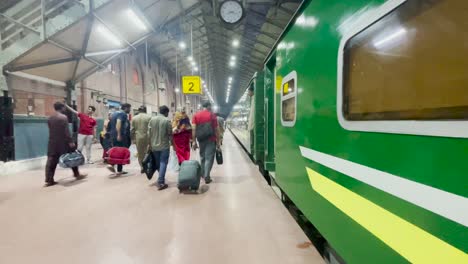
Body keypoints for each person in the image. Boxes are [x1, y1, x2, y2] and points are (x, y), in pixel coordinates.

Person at [45, 102, 86, 187]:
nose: (65, 109)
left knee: (51, 160)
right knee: (72, 156)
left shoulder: (50, 118)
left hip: (52, 142)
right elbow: (66, 131)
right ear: (61, 108)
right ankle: (76, 174)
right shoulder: (63, 118)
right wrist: (70, 141)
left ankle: (49, 179)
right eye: (64, 107)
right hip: (63, 142)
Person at [192, 101, 220, 184]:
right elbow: (216, 130)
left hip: (200, 139)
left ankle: (203, 174)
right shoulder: (212, 115)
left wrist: (194, 141)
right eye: (210, 106)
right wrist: (218, 142)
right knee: (209, 158)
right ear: (208, 106)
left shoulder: (196, 115)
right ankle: (207, 176)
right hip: (211, 139)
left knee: (202, 157)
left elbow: (193, 129)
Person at [148, 105, 172, 190]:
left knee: (159, 163)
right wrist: (173, 144)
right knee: (163, 162)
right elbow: (170, 134)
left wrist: (149, 144)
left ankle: (160, 177)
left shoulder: (152, 119)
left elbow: (149, 133)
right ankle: (161, 181)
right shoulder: (167, 120)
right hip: (164, 146)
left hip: (154, 146)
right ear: (166, 112)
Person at [107, 103, 132, 175]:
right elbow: (118, 122)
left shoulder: (115, 113)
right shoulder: (122, 114)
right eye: (129, 108)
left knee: (118, 151)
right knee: (119, 152)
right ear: (126, 108)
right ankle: (111, 164)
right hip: (119, 135)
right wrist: (119, 134)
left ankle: (119, 170)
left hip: (113, 135)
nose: (130, 110)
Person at [131, 105, 151, 173]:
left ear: (139, 110)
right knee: (148, 152)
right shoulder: (149, 117)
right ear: (145, 110)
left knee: (140, 153)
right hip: (147, 137)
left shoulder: (134, 118)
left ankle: (142, 167)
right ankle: (147, 166)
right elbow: (151, 128)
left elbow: (132, 130)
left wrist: (132, 139)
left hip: (138, 137)